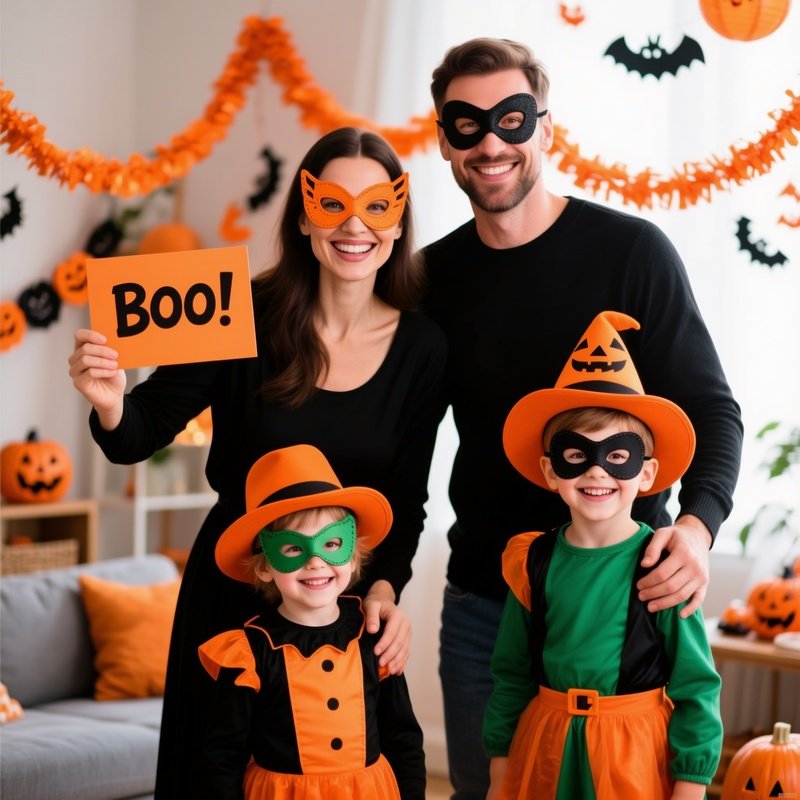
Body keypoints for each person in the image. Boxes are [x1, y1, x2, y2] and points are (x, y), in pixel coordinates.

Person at [68, 127, 447, 798]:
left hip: (340, 601)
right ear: (303, 216)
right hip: (233, 589)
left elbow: (407, 501)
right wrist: (108, 402)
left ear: (398, 220)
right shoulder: (237, 311)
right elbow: (136, 434)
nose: (354, 225)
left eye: (376, 207)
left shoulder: (423, 347)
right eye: (332, 204)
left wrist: (383, 593)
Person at [422, 38, 742, 799]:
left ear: (546, 128)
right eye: (466, 124)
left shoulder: (633, 253)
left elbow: (714, 411)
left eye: (511, 118)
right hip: (486, 605)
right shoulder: (433, 279)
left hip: (622, 601)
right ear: (443, 139)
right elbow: (396, 438)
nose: (491, 142)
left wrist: (696, 530)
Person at [484, 310, 722, 800]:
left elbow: (696, 687)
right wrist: (500, 770)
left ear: (648, 474)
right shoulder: (532, 563)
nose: (596, 473)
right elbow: (510, 674)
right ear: (551, 473)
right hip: (544, 749)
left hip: (631, 757)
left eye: (618, 457)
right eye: (576, 456)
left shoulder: (664, 568)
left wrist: (691, 786)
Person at [197, 444, 426, 799]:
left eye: (332, 543)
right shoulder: (248, 654)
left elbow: (403, 737)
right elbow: (223, 756)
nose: (316, 562)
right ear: (264, 567)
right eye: (292, 548)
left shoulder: (373, 635)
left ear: (353, 558)